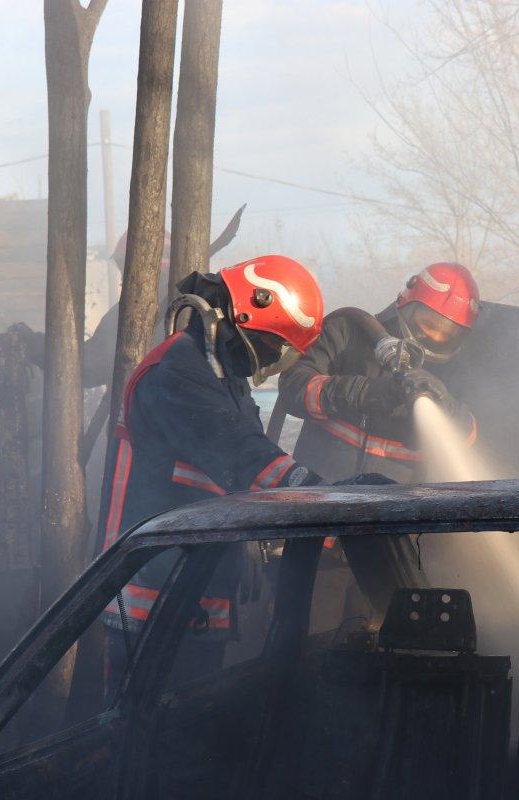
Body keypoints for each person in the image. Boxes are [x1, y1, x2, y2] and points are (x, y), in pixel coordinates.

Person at [98, 254, 329, 689]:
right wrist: (327, 503)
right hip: (151, 603)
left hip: (193, 595)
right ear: (245, 314)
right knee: (146, 744)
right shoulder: (176, 375)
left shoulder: (221, 374)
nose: (277, 357)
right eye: (275, 344)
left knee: (195, 736)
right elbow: (245, 457)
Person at [278, 262, 481, 484]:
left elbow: (471, 439)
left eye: (446, 333)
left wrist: (445, 406)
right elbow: (292, 388)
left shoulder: (459, 370)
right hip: (318, 494)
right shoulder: (348, 331)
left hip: (396, 510)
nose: (432, 336)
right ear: (407, 305)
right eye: (428, 323)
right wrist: (362, 392)